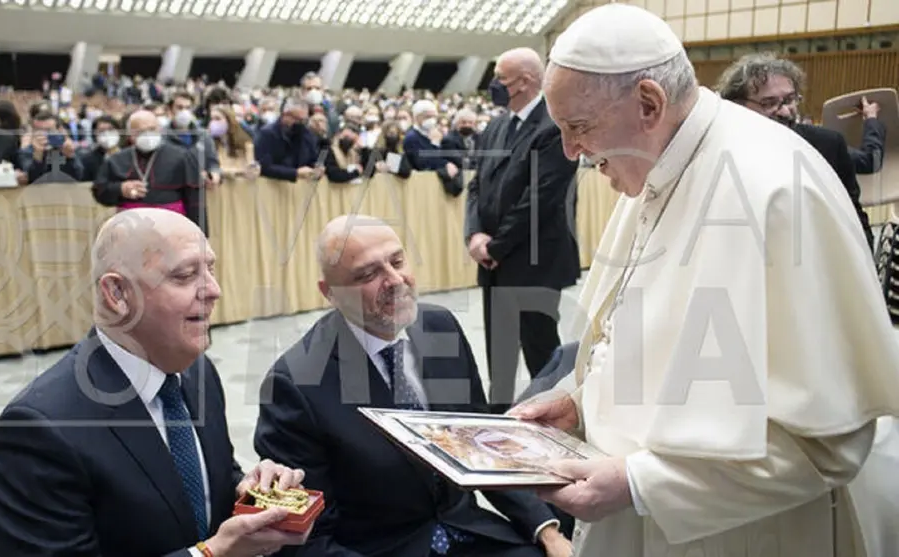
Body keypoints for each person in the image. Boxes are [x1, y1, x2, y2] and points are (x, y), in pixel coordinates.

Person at [509, 4, 899, 556]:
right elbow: (637, 342)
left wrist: (642, 483)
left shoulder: (776, 191)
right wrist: (582, 403)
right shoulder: (652, 166)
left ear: (649, 102)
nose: (572, 151)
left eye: (579, 128)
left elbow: (828, 443)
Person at [0, 208, 311, 557]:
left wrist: (252, 493)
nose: (214, 290)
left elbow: (203, 485)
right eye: (185, 275)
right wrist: (210, 554)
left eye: (210, 270)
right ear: (118, 294)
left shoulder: (197, 373)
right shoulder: (39, 429)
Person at [254, 215, 573, 557]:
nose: (395, 280)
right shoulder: (295, 384)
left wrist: (546, 529)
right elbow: (308, 543)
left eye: (398, 261)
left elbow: (482, 444)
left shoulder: (439, 327)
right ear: (329, 293)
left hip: (468, 531)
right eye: (368, 274)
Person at [465, 47, 580, 412]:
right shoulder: (496, 126)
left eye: (500, 78)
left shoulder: (554, 126)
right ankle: (497, 419)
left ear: (526, 81)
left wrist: (495, 247)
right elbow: (476, 186)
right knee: (498, 356)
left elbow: (540, 199)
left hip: (533, 262)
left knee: (540, 353)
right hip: (493, 264)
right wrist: (474, 235)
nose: (494, 85)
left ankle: (550, 417)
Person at [714, 53, 875, 253]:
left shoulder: (828, 145)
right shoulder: (721, 152)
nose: (784, 111)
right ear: (738, 106)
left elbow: (854, 218)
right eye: (769, 103)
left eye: (790, 100)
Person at [92, 110, 206, 235]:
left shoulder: (182, 156)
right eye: (141, 131)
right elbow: (99, 190)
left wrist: (200, 233)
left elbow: (196, 198)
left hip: (172, 229)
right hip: (131, 230)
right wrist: (120, 189)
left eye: (152, 129)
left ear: (160, 129)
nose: (147, 134)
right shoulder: (116, 160)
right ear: (130, 135)